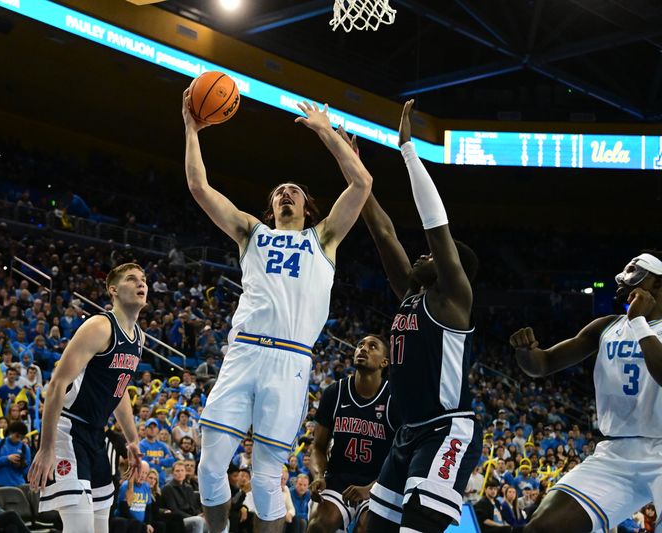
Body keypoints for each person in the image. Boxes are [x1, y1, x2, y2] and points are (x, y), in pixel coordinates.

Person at [183, 88, 372, 533]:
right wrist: (192, 129)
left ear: (308, 207)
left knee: (268, 478)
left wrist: (328, 134)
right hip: (244, 352)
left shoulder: (324, 239)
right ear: (271, 207)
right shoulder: (252, 233)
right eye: (279, 192)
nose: (286, 195)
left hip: (290, 360)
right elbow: (198, 186)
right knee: (210, 465)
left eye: (295, 192)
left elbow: (362, 184)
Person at [346, 100, 482, 532]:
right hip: (408, 433)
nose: (422, 254)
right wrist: (356, 175)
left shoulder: (453, 300)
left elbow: (434, 226)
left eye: (432, 255)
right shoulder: (411, 293)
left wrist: (407, 151)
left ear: (448, 266)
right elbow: (383, 230)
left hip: (445, 432)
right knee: (374, 528)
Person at [509, 251, 662, 533]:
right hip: (617, 451)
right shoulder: (606, 326)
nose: (622, 282)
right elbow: (543, 365)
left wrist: (639, 321)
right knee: (541, 528)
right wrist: (525, 353)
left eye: (634, 274)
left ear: (658, 284)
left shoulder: (642, 324)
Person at [28, 263, 145, 533]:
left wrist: (133, 440)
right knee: (80, 529)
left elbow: (120, 389)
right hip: (67, 429)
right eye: (132, 279)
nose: (141, 284)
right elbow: (57, 384)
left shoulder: (139, 338)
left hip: (95, 435)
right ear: (113, 290)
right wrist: (46, 447)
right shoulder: (100, 326)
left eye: (143, 279)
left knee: (100, 528)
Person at [307, 335, 396, 533]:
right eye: (360, 345)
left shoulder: (394, 399)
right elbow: (319, 447)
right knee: (318, 526)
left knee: (368, 528)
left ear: (384, 362)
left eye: (372, 346)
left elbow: (400, 458)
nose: (363, 349)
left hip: (379, 483)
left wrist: (370, 488)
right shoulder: (334, 393)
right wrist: (319, 476)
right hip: (338, 480)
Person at [161, 462, 205, 533]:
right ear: (173, 473)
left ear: (185, 473)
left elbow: (194, 507)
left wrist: (199, 514)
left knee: (220, 522)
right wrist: (194, 517)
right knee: (198, 521)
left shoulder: (189, 488)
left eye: (182, 471)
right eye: (177, 471)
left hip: (193, 517)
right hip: (179, 520)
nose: (180, 473)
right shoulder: (167, 488)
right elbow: (175, 510)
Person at [0, 422, 30, 487]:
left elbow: (27, 470)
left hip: (18, 484)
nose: (19, 439)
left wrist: (19, 465)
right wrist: (7, 458)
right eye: (17, 436)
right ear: (11, 432)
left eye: (22, 437)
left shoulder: (25, 448)